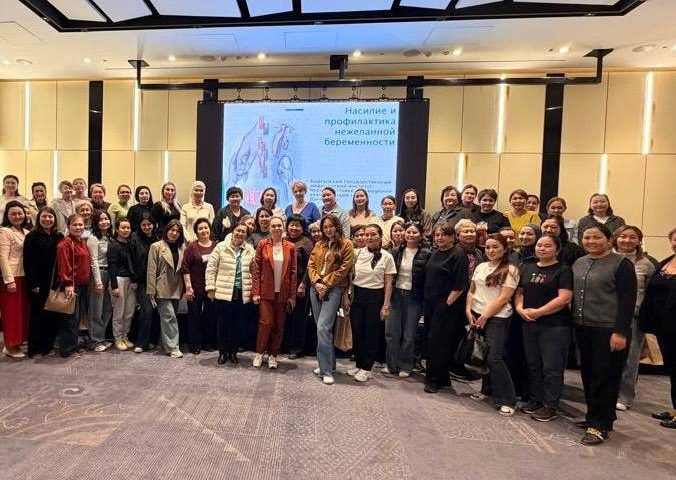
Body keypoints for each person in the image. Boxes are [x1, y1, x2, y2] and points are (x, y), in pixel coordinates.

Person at [572, 224, 636, 445]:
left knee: (606, 377)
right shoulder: (580, 262)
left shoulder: (621, 264)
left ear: (609, 239)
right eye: (587, 238)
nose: (591, 241)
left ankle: (599, 425)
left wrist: (620, 331)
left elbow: (628, 300)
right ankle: (595, 416)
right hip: (583, 326)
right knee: (589, 374)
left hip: (609, 329)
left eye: (596, 237)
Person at [515, 234, 573, 422]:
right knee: (533, 364)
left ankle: (550, 405)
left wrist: (539, 312)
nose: (542, 248)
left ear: (557, 249)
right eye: (539, 245)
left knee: (552, 367)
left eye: (548, 246)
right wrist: (520, 309)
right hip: (529, 323)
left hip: (555, 326)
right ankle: (536, 399)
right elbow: (519, 292)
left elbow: (564, 298)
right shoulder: (527, 267)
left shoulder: (563, 270)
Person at [466, 234, 520, 415]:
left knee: (494, 357)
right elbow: (472, 290)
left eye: (495, 247)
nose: (490, 250)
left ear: (505, 248)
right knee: (482, 354)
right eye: (488, 247)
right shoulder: (481, 267)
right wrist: (468, 310)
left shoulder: (510, 270)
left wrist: (486, 315)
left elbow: (504, 297)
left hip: (497, 317)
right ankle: (486, 390)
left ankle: (508, 399)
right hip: (477, 314)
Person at [343, 224, 395, 382]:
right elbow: (349, 278)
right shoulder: (356, 253)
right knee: (357, 331)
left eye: (373, 234)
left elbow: (388, 283)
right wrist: (346, 296)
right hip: (357, 295)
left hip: (375, 296)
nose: (369, 237)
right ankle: (359, 364)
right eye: (366, 234)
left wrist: (386, 305)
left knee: (371, 333)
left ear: (380, 236)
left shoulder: (387, 256)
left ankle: (367, 368)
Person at [612, 226, 656, 411]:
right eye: (623, 236)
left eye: (632, 237)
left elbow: (651, 293)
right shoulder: (607, 259)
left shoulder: (646, 264)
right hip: (606, 314)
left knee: (630, 358)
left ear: (639, 241)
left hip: (633, 317)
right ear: (615, 238)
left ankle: (625, 395)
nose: (627, 240)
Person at [307, 214, 355, 385]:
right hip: (316, 288)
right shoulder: (319, 244)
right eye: (325, 227)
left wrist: (326, 283)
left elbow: (344, 269)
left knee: (323, 327)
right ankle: (329, 364)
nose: (328, 229)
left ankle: (326, 370)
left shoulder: (346, 244)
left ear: (337, 226)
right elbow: (311, 264)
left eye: (331, 226)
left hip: (334, 289)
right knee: (322, 329)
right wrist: (316, 282)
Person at [423, 222, 469, 393]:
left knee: (438, 342)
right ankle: (443, 378)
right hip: (431, 303)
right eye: (437, 235)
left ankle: (433, 380)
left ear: (452, 237)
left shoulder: (458, 255)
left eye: (444, 234)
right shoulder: (435, 252)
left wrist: (446, 303)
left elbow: (461, 284)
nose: (439, 238)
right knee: (431, 340)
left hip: (446, 305)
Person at [640, 227, 676, 429]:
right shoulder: (666, 262)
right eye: (675, 239)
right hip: (665, 326)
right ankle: (674, 409)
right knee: (672, 368)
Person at [206, 221, 255, 365]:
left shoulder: (250, 250)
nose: (240, 233)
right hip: (223, 291)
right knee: (223, 324)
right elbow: (211, 268)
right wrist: (210, 288)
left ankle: (233, 352)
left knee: (237, 324)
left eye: (243, 231)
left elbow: (254, 271)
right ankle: (223, 352)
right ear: (232, 231)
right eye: (238, 230)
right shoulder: (221, 247)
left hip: (242, 292)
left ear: (246, 235)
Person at [252, 216, 297, 369]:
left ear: (283, 227)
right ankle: (259, 353)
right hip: (265, 292)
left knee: (279, 326)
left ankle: (273, 355)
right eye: (274, 226)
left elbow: (293, 273)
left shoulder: (290, 246)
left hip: (283, 293)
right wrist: (255, 292)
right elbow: (256, 270)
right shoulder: (262, 244)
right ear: (269, 228)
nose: (277, 228)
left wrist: (292, 296)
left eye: (279, 225)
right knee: (265, 323)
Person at [386, 222, 430, 378]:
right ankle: (391, 364)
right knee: (391, 332)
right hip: (395, 294)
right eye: (408, 232)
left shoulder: (426, 254)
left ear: (421, 235)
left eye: (414, 232)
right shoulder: (395, 251)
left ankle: (406, 365)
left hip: (414, 297)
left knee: (409, 334)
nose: (411, 235)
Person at [24, 207, 62, 357]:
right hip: (38, 282)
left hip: (54, 281)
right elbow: (28, 262)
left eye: (50, 217)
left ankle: (48, 346)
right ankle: (35, 349)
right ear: (38, 218)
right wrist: (33, 283)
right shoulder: (32, 236)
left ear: (54, 219)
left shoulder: (58, 236)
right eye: (44, 217)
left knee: (51, 315)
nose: (47, 219)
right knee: (37, 315)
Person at [146, 219, 186, 358]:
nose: (174, 233)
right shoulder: (156, 246)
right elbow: (151, 270)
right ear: (166, 230)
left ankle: (164, 343)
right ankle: (173, 348)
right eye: (172, 230)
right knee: (169, 317)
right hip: (161, 288)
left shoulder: (183, 248)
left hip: (176, 288)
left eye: (177, 231)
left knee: (168, 317)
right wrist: (151, 290)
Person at [55, 214, 92, 358]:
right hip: (72, 286)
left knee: (76, 318)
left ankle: (73, 345)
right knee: (69, 318)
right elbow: (64, 266)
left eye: (80, 225)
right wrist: (68, 284)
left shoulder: (81, 241)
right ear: (68, 226)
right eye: (75, 225)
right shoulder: (65, 244)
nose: (78, 227)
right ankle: (67, 350)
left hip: (82, 285)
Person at [0, 200, 31, 358]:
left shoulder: (26, 232)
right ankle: (10, 346)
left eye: (20, 213)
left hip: (25, 276)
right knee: (11, 313)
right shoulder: (5, 231)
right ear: (7, 215)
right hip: (13, 277)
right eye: (13, 214)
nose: (17, 216)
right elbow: (2, 258)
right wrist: (9, 280)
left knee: (21, 313)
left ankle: (17, 342)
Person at [182, 218, 217, 355]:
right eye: (200, 228)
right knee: (194, 317)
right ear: (196, 232)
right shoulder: (191, 247)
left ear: (210, 229)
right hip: (195, 287)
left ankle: (208, 343)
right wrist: (188, 287)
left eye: (206, 227)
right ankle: (195, 344)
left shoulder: (216, 246)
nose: (203, 230)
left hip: (211, 288)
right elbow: (185, 267)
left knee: (210, 316)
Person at [282, 214, 315, 359]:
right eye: (291, 225)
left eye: (297, 225)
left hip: (300, 284)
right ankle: (283, 345)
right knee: (284, 315)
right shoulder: (282, 240)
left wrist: (303, 284)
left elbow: (310, 266)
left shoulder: (307, 243)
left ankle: (296, 348)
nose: (294, 228)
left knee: (298, 317)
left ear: (302, 228)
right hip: (283, 283)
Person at [129, 212, 159, 353]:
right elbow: (131, 260)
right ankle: (141, 342)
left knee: (156, 311)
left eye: (149, 224)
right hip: (142, 281)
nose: (147, 227)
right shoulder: (134, 239)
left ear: (154, 225)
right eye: (144, 225)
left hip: (157, 281)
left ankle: (153, 340)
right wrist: (134, 278)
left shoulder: (158, 239)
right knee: (146, 311)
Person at [107, 218, 138, 351]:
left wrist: (134, 280)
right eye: (123, 228)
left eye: (128, 228)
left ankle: (125, 336)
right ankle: (118, 338)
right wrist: (114, 286)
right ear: (117, 229)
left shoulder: (130, 244)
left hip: (130, 281)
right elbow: (112, 266)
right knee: (119, 312)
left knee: (129, 311)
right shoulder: (113, 245)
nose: (126, 230)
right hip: (119, 280)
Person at [87, 210, 114, 352]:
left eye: (106, 219)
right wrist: (98, 281)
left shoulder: (109, 237)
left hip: (110, 273)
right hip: (99, 274)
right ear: (96, 223)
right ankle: (94, 340)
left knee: (107, 307)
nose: (104, 222)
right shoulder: (93, 238)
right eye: (101, 220)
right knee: (96, 309)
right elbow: (93, 261)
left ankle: (101, 337)